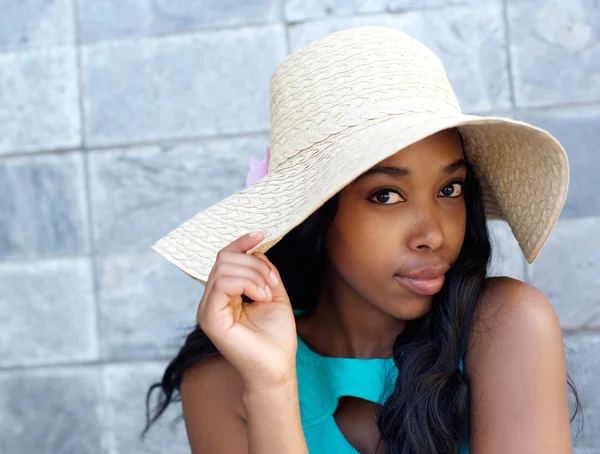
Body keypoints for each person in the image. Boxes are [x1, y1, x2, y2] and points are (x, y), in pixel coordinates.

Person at [142, 26, 581, 453]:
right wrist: (271, 387)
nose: (434, 235)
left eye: (450, 189)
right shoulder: (224, 375)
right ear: (314, 214)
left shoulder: (504, 325)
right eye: (386, 195)